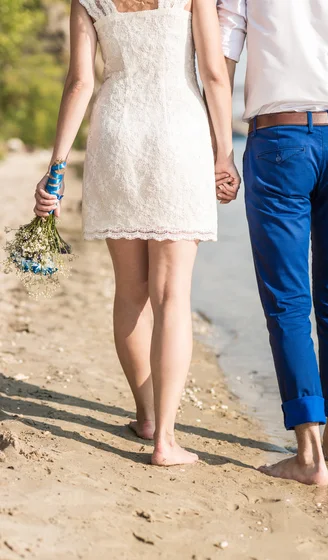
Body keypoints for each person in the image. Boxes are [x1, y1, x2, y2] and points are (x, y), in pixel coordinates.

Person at [34, 0, 240, 467]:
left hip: (117, 132)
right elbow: (212, 73)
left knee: (131, 291)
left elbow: (80, 83)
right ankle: (165, 440)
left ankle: (145, 416)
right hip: (179, 133)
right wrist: (224, 153)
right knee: (172, 296)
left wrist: (57, 168)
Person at [217, 0, 328, 485]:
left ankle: (307, 455)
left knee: (289, 305)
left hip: (278, 142)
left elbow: (222, 58)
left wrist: (218, 149)